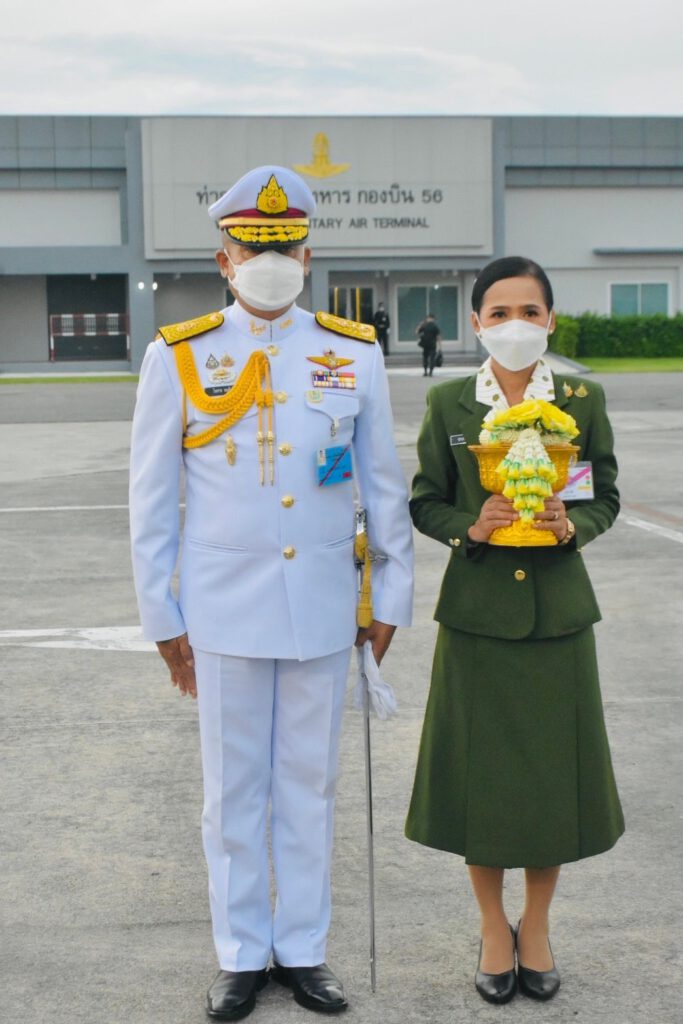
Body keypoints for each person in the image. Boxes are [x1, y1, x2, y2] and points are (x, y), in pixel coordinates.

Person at [129, 165, 413, 1021]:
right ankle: (241, 955)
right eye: (253, 248)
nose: (270, 261)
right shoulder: (179, 355)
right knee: (232, 794)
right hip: (222, 611)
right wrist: (162, 617)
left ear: (308, 255)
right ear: (223, 260)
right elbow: (151, 501)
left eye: (284, 246)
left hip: (324, 606)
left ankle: (303, 949)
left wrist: (389, 598)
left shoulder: (351, 352)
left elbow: (382, 486)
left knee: (308, 786)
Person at [404, 256, 624, 1005]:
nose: (515, 324)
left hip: (558, 615)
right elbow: (425, 501)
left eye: (529, 311)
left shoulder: (582, 400)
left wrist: (572, 523)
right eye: (499, 313)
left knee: (548, 781)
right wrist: (472, 525)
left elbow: (603, 493)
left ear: (550, 319)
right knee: (481, 782)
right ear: (476, 323)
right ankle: (492, 926)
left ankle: (538, 925)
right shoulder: (449, 404)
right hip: (478, 617)